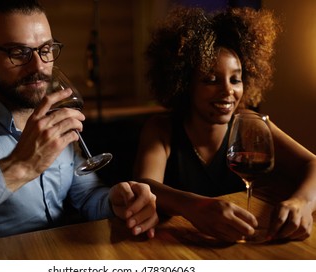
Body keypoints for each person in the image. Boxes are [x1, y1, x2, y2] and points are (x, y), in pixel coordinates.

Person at [0, 0, 158, 258]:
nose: (38, 66)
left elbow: (87, 195)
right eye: (18, 52)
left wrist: (115, 203)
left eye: (45, 49)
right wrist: (20, 166)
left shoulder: (55, 124)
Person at [134, 6, 316, 243]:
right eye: (211, 79)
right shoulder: (162, 128)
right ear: (184, 83)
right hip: (180, 249)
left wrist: (302, 201)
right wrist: (195, 207)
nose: (228, 90)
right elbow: (144, 185)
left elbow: (312, 163)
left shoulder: (250, 123)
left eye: (235, 79)